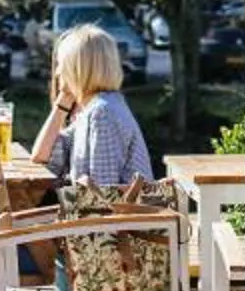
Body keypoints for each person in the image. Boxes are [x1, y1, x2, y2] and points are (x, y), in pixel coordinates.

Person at [31, 25, 153, 189]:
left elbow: (103, 193)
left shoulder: (102, 113)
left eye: (62, 64)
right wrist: (63, 102)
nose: (58, 72)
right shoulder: (94, 108)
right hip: (95, 205)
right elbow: (41, 157)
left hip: (114, 207)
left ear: (79, 69)